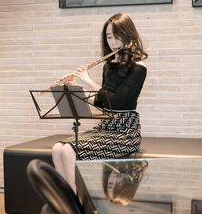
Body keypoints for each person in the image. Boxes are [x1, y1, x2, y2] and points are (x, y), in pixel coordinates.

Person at [51, 13, 148, 193]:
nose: (112, 41)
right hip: (105, 127)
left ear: (128, 34)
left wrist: (88, 81)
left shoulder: (139, 68)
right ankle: (64, 198)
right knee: (57, 149)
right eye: (109, 36)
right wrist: (76, 87)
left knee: (67, 151)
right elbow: (101, 101)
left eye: (116, 35)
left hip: (125, 132)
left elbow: (116, 102)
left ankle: (74, 201)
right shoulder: (108, 65)